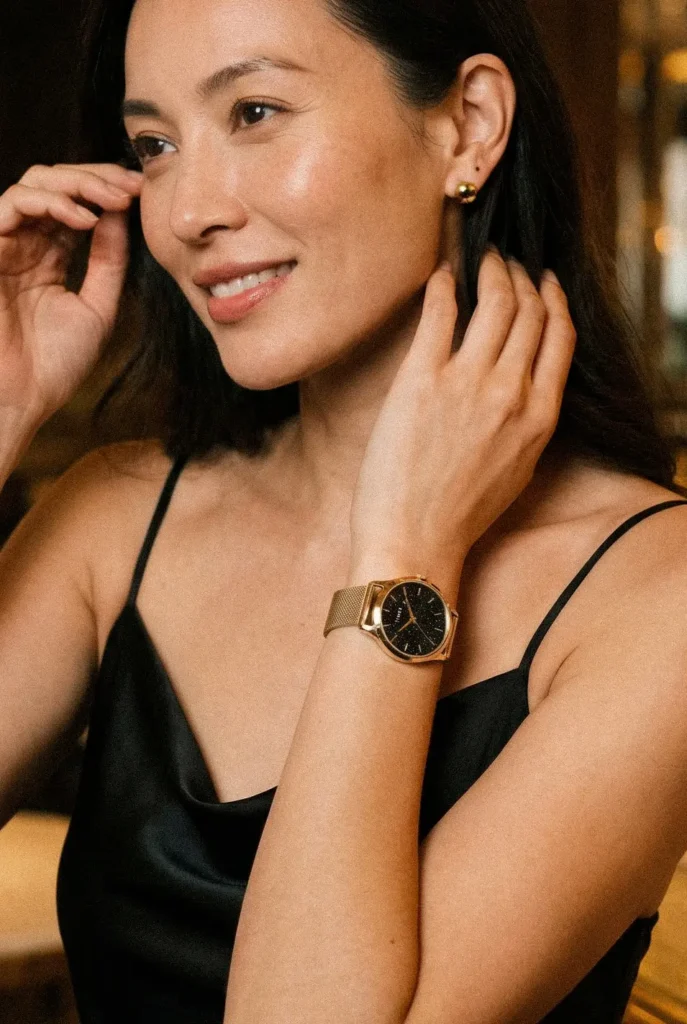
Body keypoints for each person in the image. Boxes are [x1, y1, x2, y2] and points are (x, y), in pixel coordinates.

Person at [1, 0, 686, 1021]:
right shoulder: (112, 518)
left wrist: (405, 551)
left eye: (257, 111)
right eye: (155, 143)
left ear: (469, 124)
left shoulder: (657, 596)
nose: (188, 208)